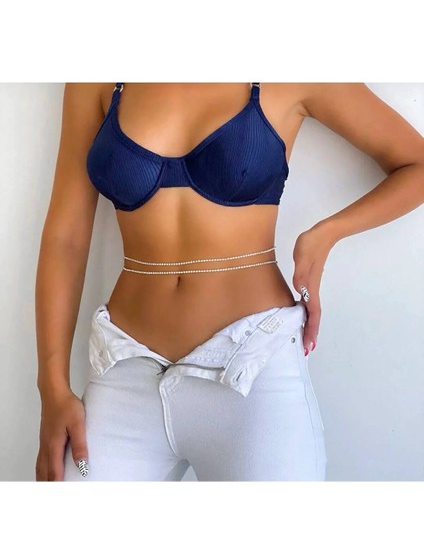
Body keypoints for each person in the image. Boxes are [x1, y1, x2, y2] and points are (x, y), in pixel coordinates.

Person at [35, 82, 424, 481]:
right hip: (125, 368)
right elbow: (66, 238)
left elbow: (416, 164)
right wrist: (51, 386)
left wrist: (326, 234)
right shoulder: (95, 79)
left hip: (253, 371)